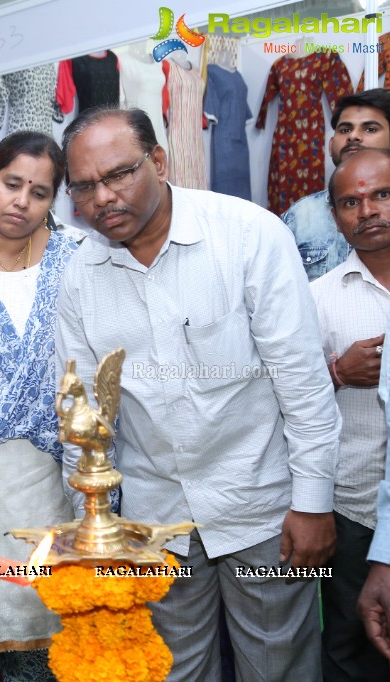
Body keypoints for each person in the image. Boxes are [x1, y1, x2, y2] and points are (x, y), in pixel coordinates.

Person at [57, 106, 340, 681]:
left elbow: (302, 381)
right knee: (172, 669)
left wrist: (313, 503)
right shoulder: (81, 276)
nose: (104, 198)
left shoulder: (247, 234)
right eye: (84, 187)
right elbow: (84, 417)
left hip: (263, 509)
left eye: (119, 174)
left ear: (159, 162)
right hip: (155, 520)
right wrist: (94, 525)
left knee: (278, 667)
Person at [0, 131, 75, 681]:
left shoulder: (76, 256)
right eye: (11, 184)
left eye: (40, 191)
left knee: (44, 626)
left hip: (52, 479)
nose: (21, 202)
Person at [313, 147, 390, 680]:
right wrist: (338, 373)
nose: (368, 210)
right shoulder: (317, 299)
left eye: (382, 194)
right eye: (350, 202)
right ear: (335, 217)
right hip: (355, 509)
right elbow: (281, 399)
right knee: (353, 647)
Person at [283, 89, 390, 280]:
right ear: (331, 145)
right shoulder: (299, 217)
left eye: (370, 129)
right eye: (345, 130)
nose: (353, 137)